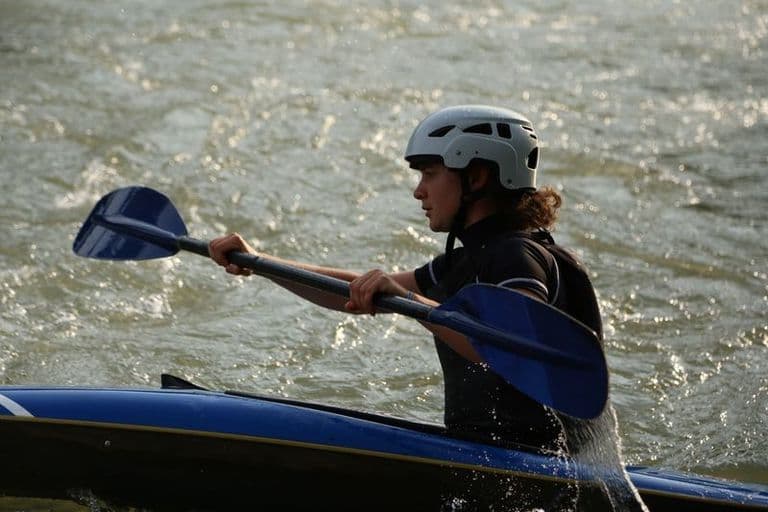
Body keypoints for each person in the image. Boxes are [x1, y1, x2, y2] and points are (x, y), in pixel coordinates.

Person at [209, 105, 601, 451]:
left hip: (533, 463)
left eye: (430, 174)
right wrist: (259, 262)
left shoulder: (520, 257)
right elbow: (351, 292)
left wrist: (411, 303)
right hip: (483, 451)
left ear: (477, 177)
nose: (418, 191)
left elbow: (515, 344)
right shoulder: (463, 262)